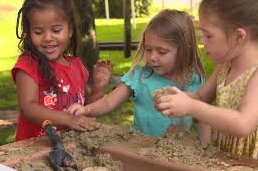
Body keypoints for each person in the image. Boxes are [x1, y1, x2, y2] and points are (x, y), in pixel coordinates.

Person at [155, 0, 258, 164]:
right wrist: (175, 99)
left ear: (239, 36)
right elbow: (200, 97)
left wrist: (191, 106)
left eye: (208, 35)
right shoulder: (225, 66)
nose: (202, 41)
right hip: (230, 155)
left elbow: (243, 124)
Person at [67, 9, 206, 137]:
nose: (152, 57)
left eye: (162, 52)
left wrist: (204, 150)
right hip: (140, 149)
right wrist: (86, 110)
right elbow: (109, 102)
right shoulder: (139, 77)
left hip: (175, 153)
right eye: (148, 49)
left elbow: (202, 121)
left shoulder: (195, 82)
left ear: (184, 50)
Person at [11, 0, 112, 141]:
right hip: (34, 148)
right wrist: (68, 119)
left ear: (70, 30)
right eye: (38, 32)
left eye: (56, 30)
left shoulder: (78, 66)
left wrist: (98, 87)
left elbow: (84, 112)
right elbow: (29, 108)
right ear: (28, 33)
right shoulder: (28, 65)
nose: (47, 38)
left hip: (70, 146)